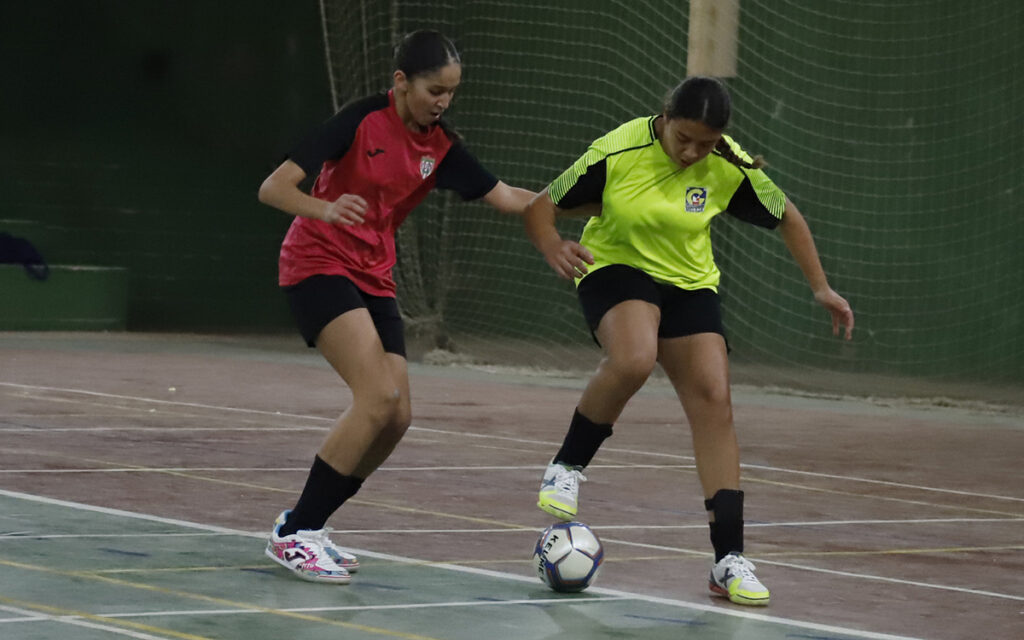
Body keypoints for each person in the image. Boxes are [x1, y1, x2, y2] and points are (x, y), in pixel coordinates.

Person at [524, 76, 854, 606]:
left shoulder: (728, 163)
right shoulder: (619, 149)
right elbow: (541, 204)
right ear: (665, 117)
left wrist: (821, 288)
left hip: (689, 281)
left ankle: (728, 561)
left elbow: (789, 216)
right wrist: (551, 246)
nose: (692, 152)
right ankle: (566, 466)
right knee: (634, 357)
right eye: (684, 139)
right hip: (615, 266)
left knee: (714, 400)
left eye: (705, 143)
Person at [257, 30, 536, 584]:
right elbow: (274, 188)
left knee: (398, 416)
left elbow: (510, 198)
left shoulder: (441, 149)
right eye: (435, 89)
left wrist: (595, 202)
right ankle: (293, 535)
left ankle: (309, 525)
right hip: (319, 264)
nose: (443, 102)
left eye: (452, 93)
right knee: (377, 395)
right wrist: (326, 207)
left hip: (374, 278)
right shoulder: (360, 122)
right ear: (401, 83)